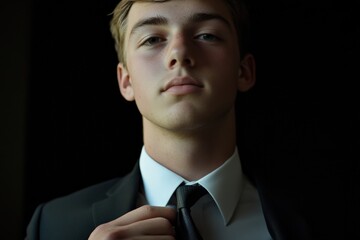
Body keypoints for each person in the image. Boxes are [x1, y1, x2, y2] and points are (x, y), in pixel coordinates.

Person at [26, 0, 354, 239]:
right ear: (126, 81)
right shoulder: (52, 226)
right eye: (153, 39)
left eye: (207, 35)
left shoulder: (327, 220)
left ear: (244, 71)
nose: (180, 52)